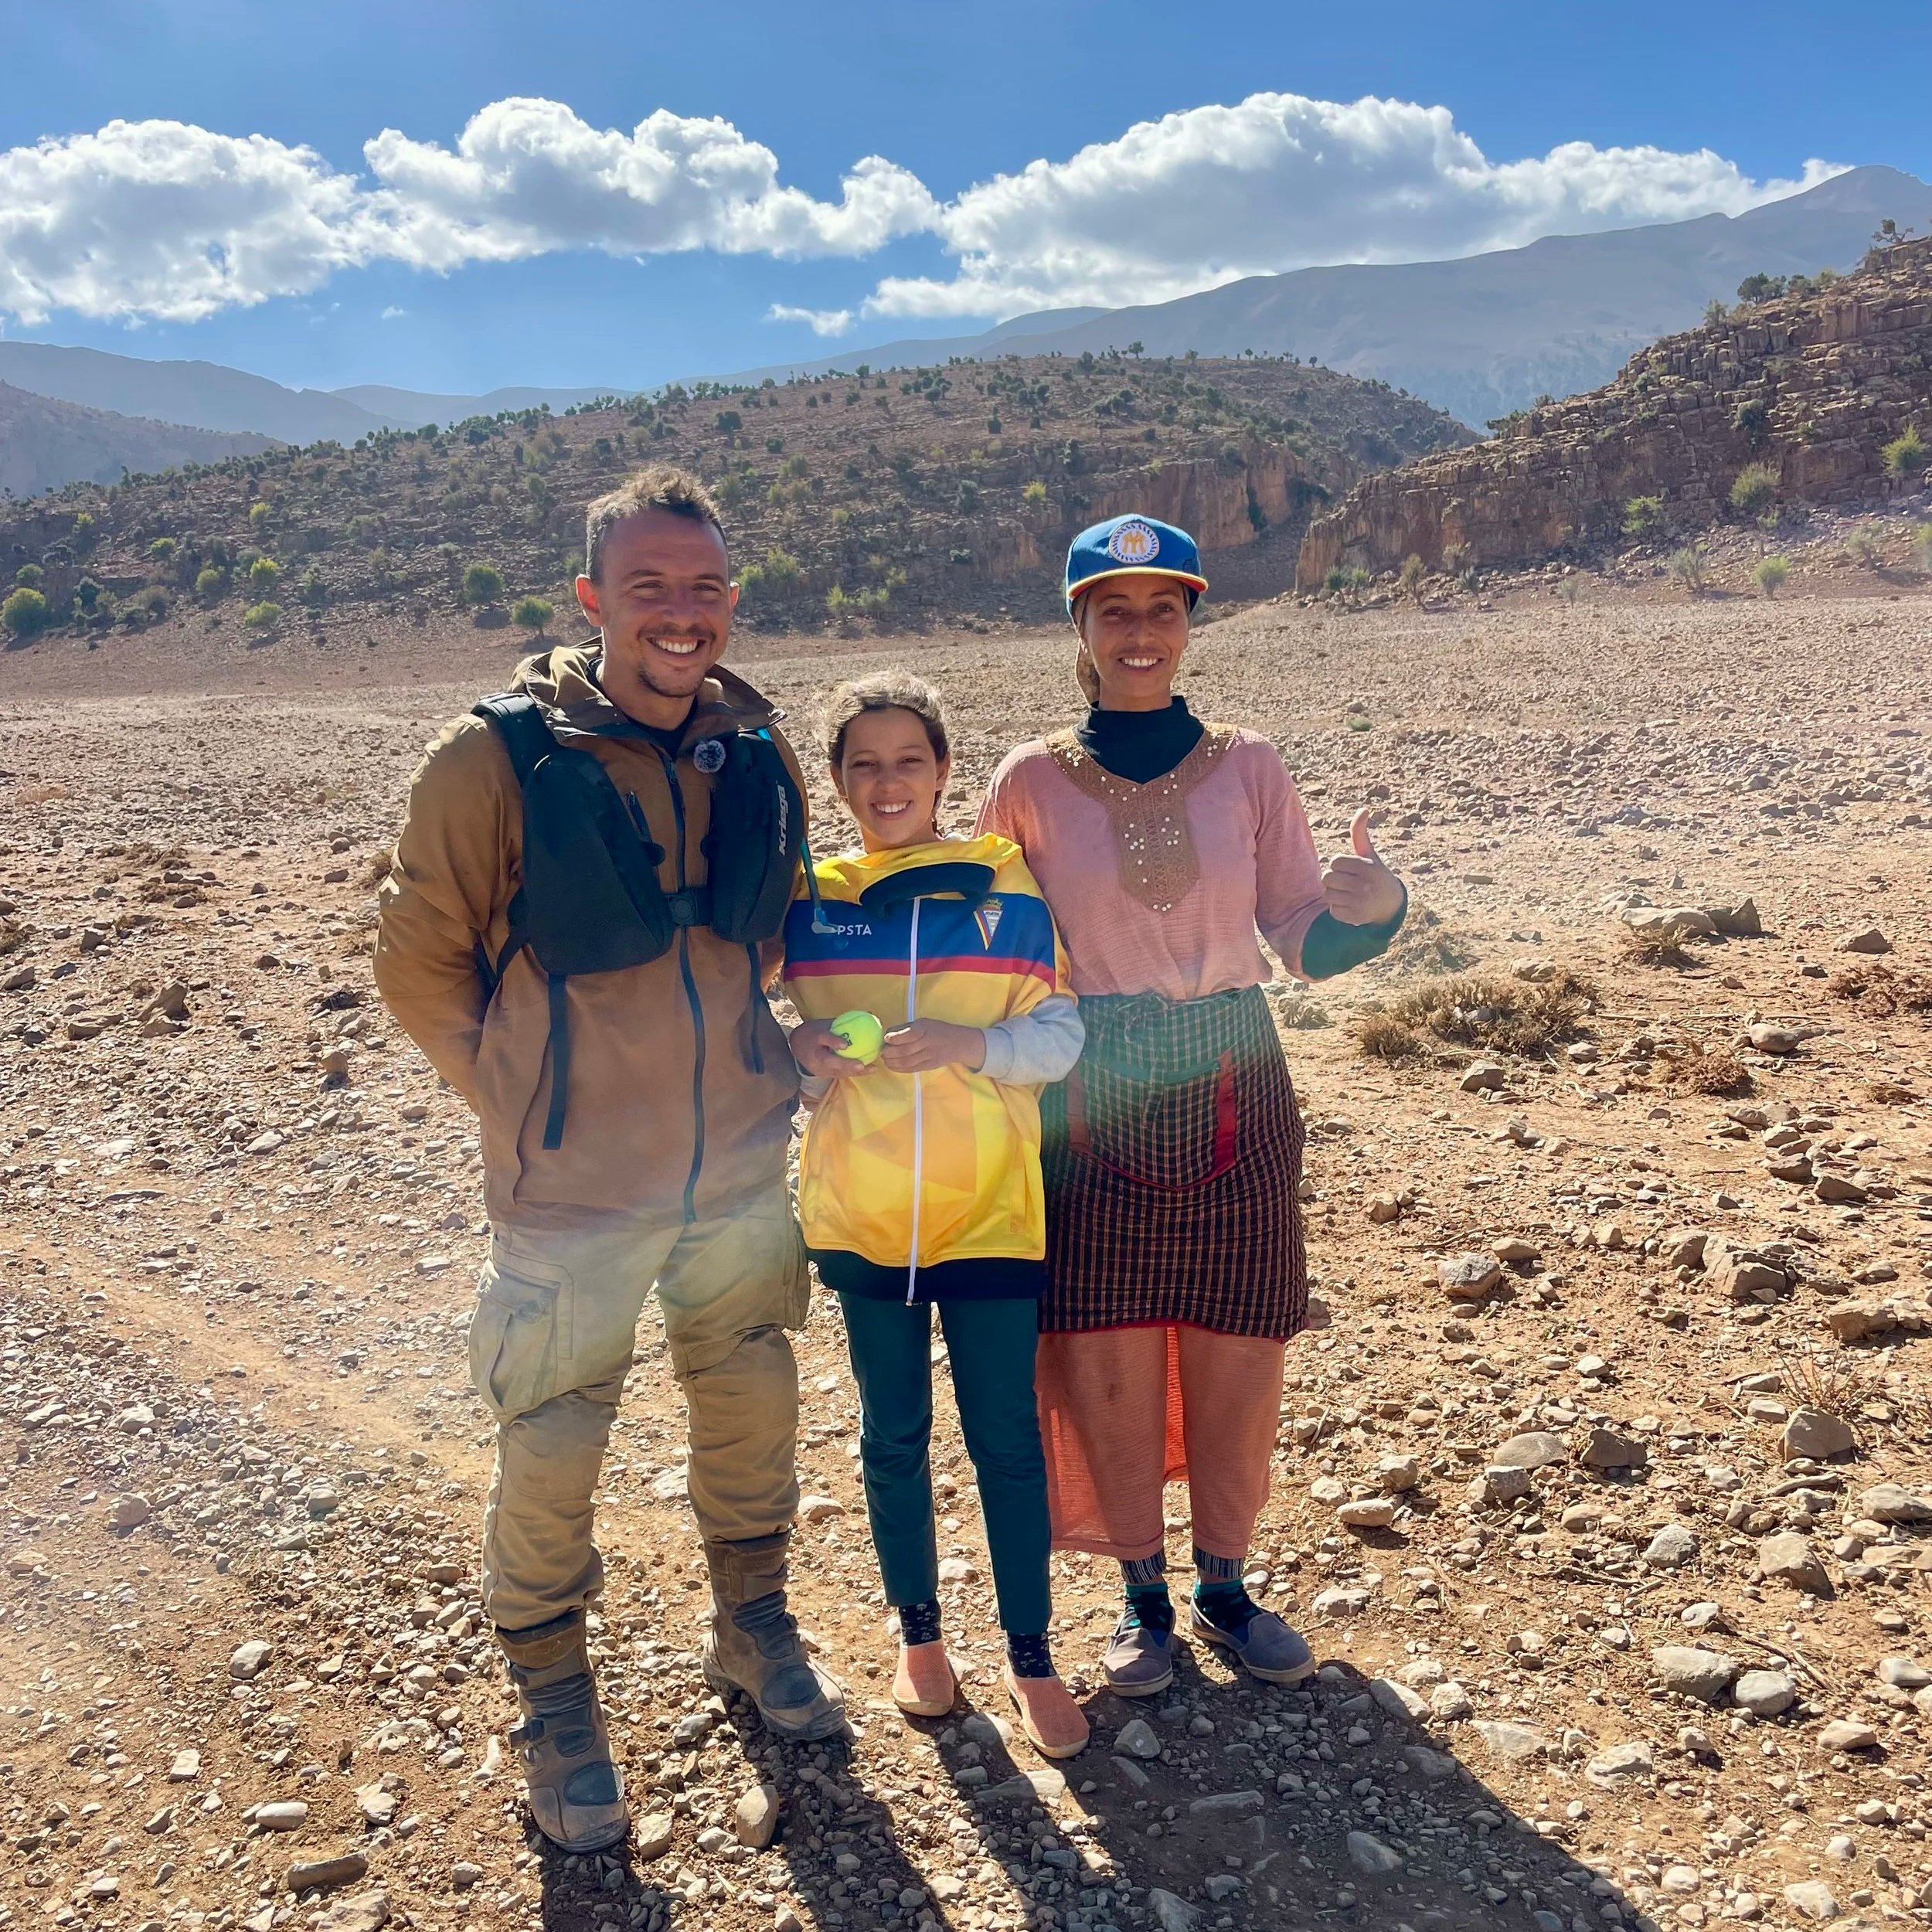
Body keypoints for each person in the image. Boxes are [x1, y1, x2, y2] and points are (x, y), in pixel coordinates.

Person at [374, 467, 843, 1854]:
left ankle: (752, 1621)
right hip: (574, 1191)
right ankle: (554, 1699)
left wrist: (793, 1052)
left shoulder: (753, 748)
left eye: (702, 589)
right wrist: (521, 1101)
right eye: (649, 588)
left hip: (740, 1173)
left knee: (752, 1396)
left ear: (731, 603)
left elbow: (780, 930)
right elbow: (418, 964)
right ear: (592, 599)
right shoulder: (493, 762)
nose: (680, 616)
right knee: (558, 1434)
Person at [976, 513, 1408, 1698]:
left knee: (1238, 1337)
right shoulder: (1024, 784)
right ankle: (1142, 1602)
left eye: (1163, 608)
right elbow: (994, 958)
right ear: (1080, 625)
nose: (1140, 631)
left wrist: (1374, 913)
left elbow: (1300, 940)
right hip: (1094, 1083)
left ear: (1190, 625)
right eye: (1114, 609)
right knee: (1105, 1345)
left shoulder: (1251, 766)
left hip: (1234, 1070)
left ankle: (1225, 1581)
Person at [783, 672, 1090, 1757]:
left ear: (944, 770)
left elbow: (1060, 1037)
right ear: (835, 779)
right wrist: (796, 1053)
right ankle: (920, 1640)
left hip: (993, 1213)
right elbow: (747, 1031)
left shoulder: (1006, 884)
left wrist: (974, 1047)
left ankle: (1030, 1653)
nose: (887, 782)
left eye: (908, 759)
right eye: (862, 762)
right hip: (863, 1216)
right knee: (892, 1435)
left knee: (1007, 1439)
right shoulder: (808, 895)